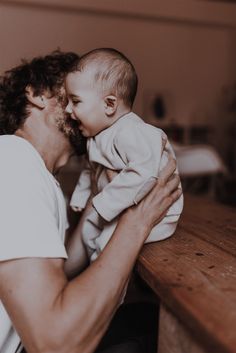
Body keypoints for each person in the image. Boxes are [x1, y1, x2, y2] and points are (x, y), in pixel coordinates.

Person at [0, 50, 181, 353]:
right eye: (70, 96)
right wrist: (137, 220)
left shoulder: (38, 176)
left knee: (148, 319)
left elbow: (61, 270)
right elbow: (55, 343)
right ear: (37, 94)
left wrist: (101, 192)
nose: (76, 107)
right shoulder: (13, 159)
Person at [66, 48, 183, 262]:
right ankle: (83, 276)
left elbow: (145, 173)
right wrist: (81, 197)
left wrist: (104, 203)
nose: (67, 109)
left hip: (158, 215)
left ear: (109, 104)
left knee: (106, 246)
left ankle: (105, 288)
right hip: (119, 205)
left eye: (75, 101)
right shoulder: (97, 135)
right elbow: (91, 169)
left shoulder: (132, 131)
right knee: (88, 232)